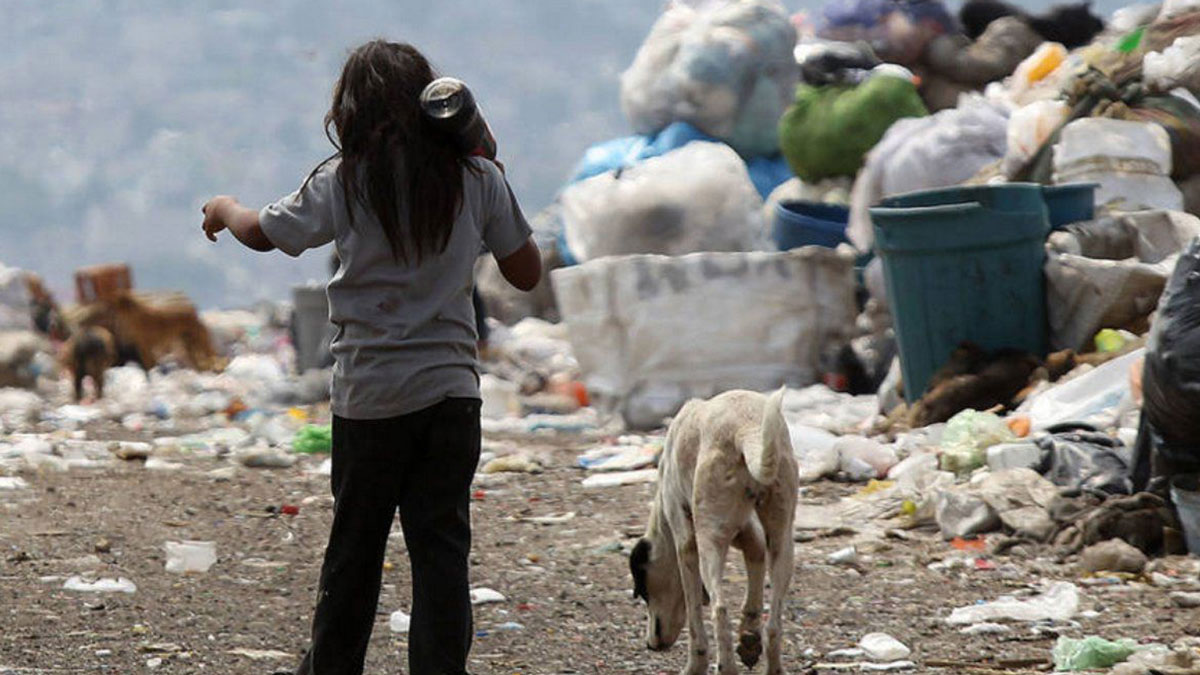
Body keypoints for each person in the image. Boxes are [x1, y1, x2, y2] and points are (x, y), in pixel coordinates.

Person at [199, 40, 541, 675]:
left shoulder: (345, 177)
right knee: (441, 554)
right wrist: (485, 157)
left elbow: (265, 233)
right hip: (450, 397)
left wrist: (222, 208)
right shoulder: (477, 179)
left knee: (354, 552)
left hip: (370, 397)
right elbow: (525, 272)